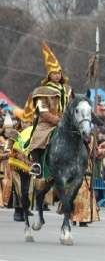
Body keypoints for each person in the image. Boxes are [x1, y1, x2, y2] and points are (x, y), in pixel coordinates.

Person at [29, 42, 72, 177]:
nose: (57, 75)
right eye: (54, 73)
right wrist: (57, 121)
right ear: (49, 75)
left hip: (66, 123)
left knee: (84, 136)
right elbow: (43, 112)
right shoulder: (41, 91)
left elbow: (71, 107)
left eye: (59, 72)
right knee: (38, 138)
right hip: (47, 124)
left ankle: (85, 163)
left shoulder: (68, 89)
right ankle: (37, 165)